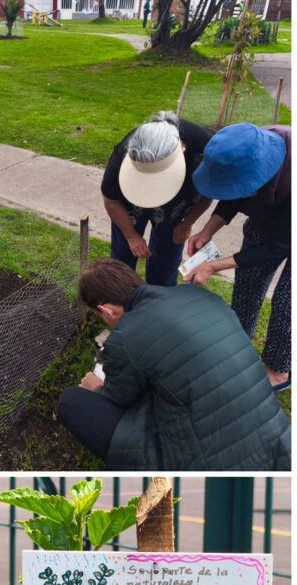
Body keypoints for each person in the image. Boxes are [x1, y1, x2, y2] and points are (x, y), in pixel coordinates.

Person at [57, 258, 291, 469]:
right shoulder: (201, 295)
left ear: (105, 310)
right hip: (277, 441)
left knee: (72, 401)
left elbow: (118, 400)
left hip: (210, 463)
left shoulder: (125, 337)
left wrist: (95, 388)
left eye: (100, 318)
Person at [184, 122, 291, 391]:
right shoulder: (247, 145)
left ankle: (278, 370)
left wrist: (214, 266)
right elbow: (234, 191)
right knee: (249, 281)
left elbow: (278, 247)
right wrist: (207, 231)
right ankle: (239, 344)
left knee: (287, 302)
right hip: (268, 216)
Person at [102, 111, 213, 287]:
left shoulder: (205, 148)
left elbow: (209, 193)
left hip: (176, 205)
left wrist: (187, 223)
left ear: (181, 148)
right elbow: (111, 200)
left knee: (166, 260)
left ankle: (159, 299)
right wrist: (131, 236)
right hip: (132, 206)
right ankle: (122, 299)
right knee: (122, 258)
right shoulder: (124, 152)